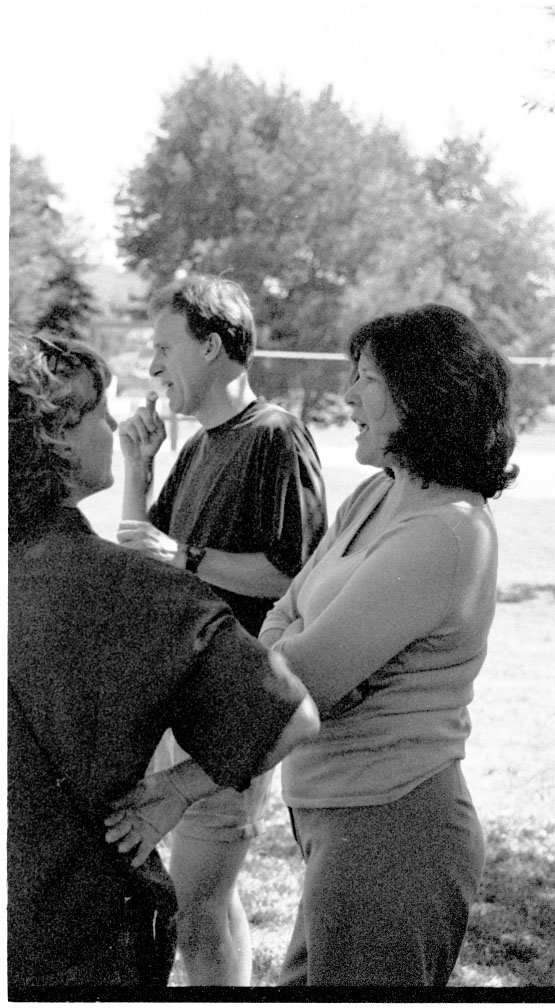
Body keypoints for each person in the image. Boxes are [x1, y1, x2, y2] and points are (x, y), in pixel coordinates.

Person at [7, 332, 319, 993]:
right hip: (82, 935)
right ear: (55, 438)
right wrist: (176, 790)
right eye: (99, 412)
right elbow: (290, 715)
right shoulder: (138, 591)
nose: (115, 423)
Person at [257, 303, 520, 986]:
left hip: (392, 830)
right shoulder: (377, 495)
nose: (347, 395)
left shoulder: (445, 532)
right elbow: (283, 612)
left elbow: (300, 682)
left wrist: (304, 655)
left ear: (422, 396)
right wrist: (308, 652)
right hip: (333, 817)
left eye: (366, 379)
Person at [115, 274, 327, 985]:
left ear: (210, 346)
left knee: (194, 907)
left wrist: (187, 555)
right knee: (203, 907)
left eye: (163, 348)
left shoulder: (276, 436)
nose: (153, 367)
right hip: (179, 702)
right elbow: (143, 562)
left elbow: (292, 573)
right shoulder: (199, 448)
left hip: (233, 707)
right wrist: (137, 467)